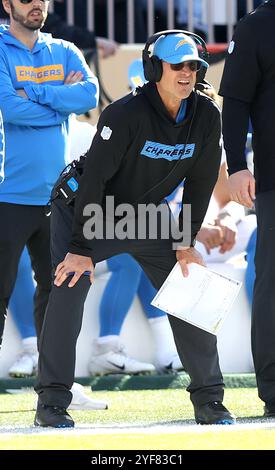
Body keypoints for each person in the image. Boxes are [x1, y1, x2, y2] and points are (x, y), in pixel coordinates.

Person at [34, 30, 236, 428]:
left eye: (193, 66)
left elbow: (199, 184)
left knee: (188, 284)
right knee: (69, 288)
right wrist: (80, 247)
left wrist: (184, 242)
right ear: (154, 68)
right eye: (176, 65)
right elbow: (94, 183)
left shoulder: (207, 115)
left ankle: (210, 400)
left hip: (144, 214)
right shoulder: (124, 114)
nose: (185, 73)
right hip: (86, 209)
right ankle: (52, 403)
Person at [0, 0, 98, 384]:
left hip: (56, 200)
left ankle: (56, 388)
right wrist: (60, 100)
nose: (36, 4)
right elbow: (8, 107)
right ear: (8, 4)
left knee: (57, 296)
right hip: (7, 195)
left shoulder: (65, 50)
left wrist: (35, 93)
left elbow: (89, 97)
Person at [219, 0, 275, 418]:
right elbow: (234, 102)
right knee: (273, 283)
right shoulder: (258, 25)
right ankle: (274, 389)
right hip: (274, 180)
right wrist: (237, 166)